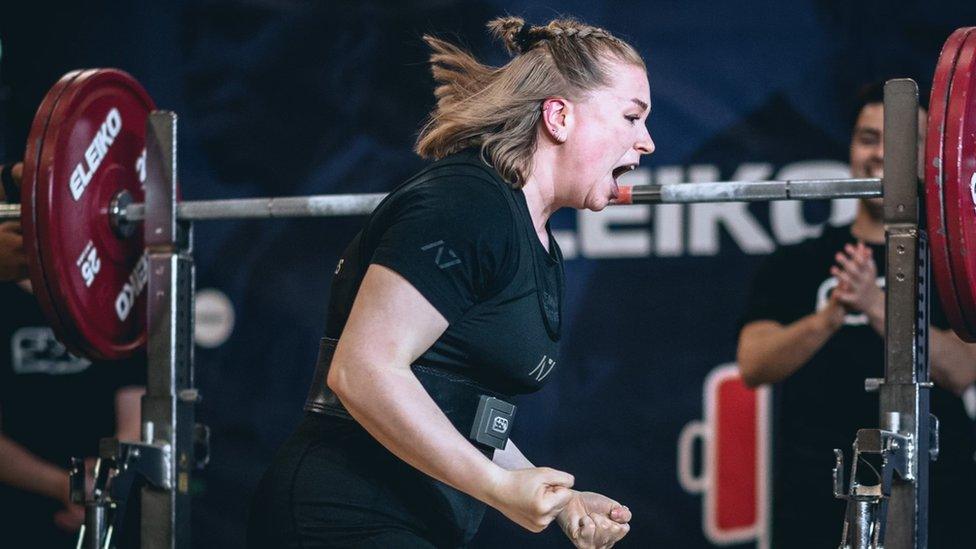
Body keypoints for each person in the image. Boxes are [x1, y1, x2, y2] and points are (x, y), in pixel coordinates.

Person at [248, 16, 652, 548]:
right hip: (343, 516)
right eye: (631, 117)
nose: (645, 142)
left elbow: (458, 405)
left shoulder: (533, 239)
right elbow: (363, 369)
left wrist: (557, 501)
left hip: (416, 521)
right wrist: (498, 487)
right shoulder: (467, 204)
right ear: (558, 117)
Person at [737, 83, 976, 548]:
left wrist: (875, 306)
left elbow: (965, 370)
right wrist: (828, 316)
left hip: (937, 497)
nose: (882, 153)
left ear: (930, 154)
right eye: (868, 138)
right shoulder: (798, 261)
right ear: (850, 149)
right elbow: (754, 364)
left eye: (904, 139)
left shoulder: (952, 260)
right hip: (818, 497)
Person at [0, 159, 146, 547]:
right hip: (17, 513)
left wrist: (101, 480)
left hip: (104, 504)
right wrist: (62, 485)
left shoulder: (111, 301)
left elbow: (134, 406)